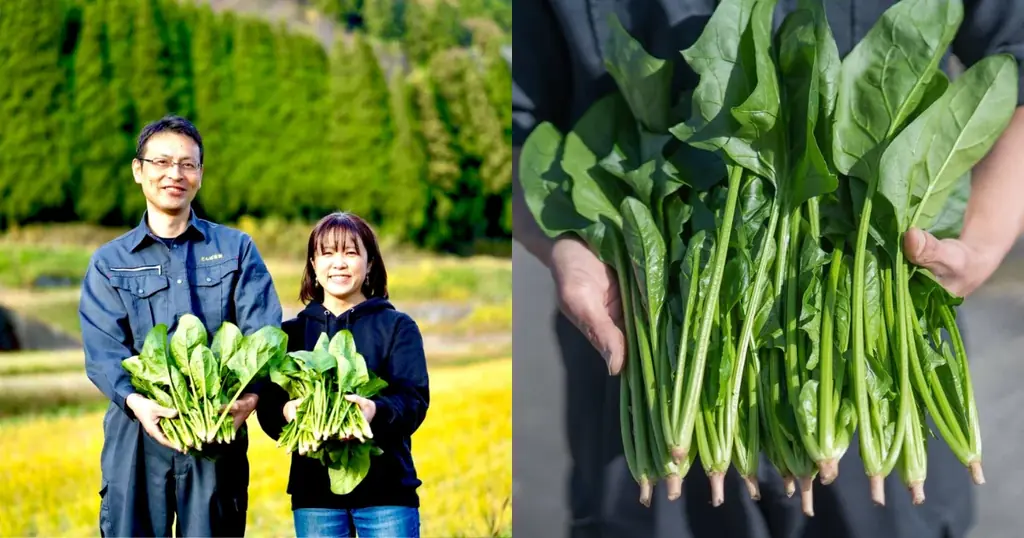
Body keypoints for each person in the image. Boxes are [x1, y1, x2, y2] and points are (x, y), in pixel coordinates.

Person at [511, 1, 1024, 537]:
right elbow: (515, 131)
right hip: (641, 350)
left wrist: (983, 242)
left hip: (873, 362)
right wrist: (566, 244)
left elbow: (1017, 55)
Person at [80, 115, 283, 537]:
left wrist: (249, 398)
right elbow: (104, 353)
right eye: (162, 162)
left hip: (215, 431)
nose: (175, 174)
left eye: (187, 164)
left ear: (200, 174)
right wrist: (137, 403)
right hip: (136, 434)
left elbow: (263, 330)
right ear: (139, 170)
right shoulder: (109, 262)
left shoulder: (236, 249)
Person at [255, 211, 430, 538]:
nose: (339, 263)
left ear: (370, 263)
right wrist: (287, 412)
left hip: (387, 492)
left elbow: (413, 400)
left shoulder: (397, 327)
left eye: (350, 253)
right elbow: (267, 407)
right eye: (327, 253)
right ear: (313, 264)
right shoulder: (291, 334)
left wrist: (373, 411)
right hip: (314, 496)